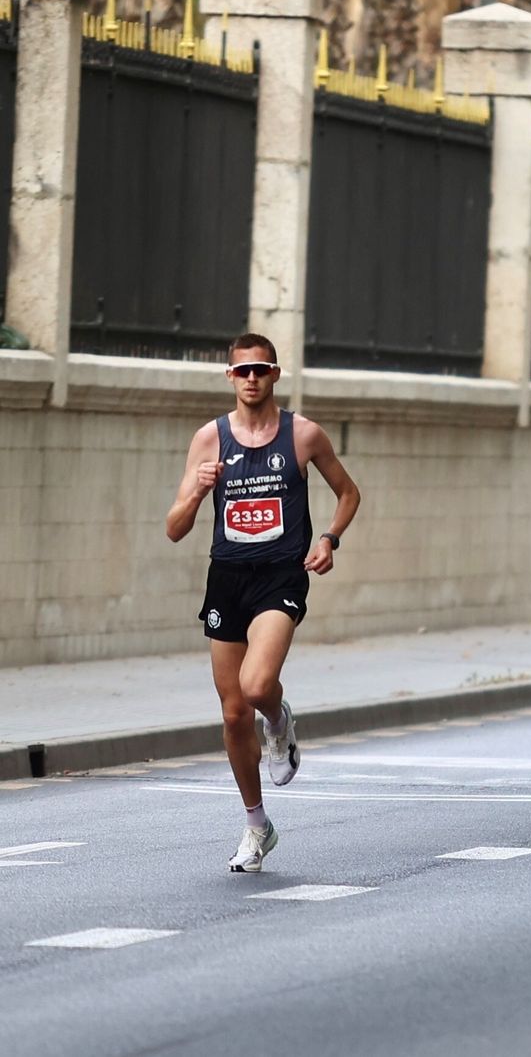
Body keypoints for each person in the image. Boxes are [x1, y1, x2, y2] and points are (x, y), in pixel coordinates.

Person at [165, 334, 361, 872]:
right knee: (233, 715)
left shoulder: (304, 435)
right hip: (227, 578)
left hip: (281, 575)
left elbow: (348, 492)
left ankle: (277, 718)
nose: (251, 378)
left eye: (261, 369)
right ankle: (258, 827)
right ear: (230, 377)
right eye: (242, 371)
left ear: (275, 374)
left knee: (255, 687)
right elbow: (174, 528)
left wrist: (329, 539)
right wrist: (198, 490)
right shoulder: (209, 439)